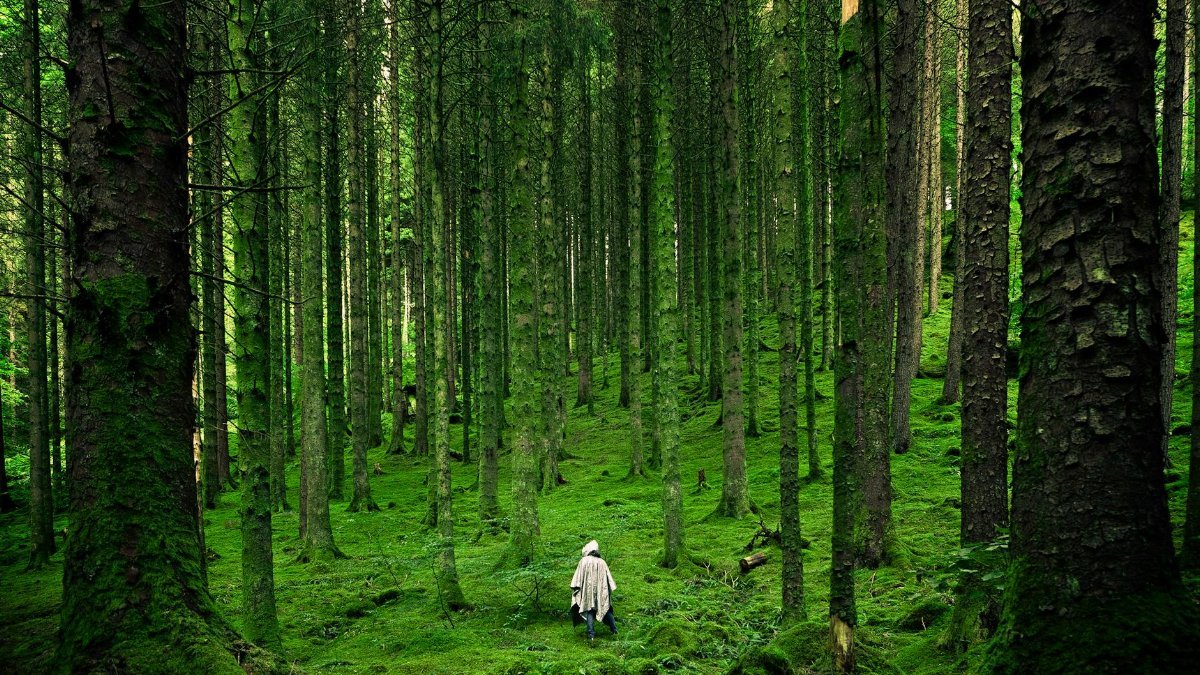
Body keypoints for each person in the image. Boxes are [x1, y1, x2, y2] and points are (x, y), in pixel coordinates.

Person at [570, 540, 618, 642]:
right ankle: (615, 631)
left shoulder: (583, 561)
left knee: (589, 609)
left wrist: (577, 588)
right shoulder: (602, 562)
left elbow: (577, 578)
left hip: (588, 590)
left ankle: (591, 635)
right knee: (606, 608)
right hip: (601, 590)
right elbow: (609, 579)